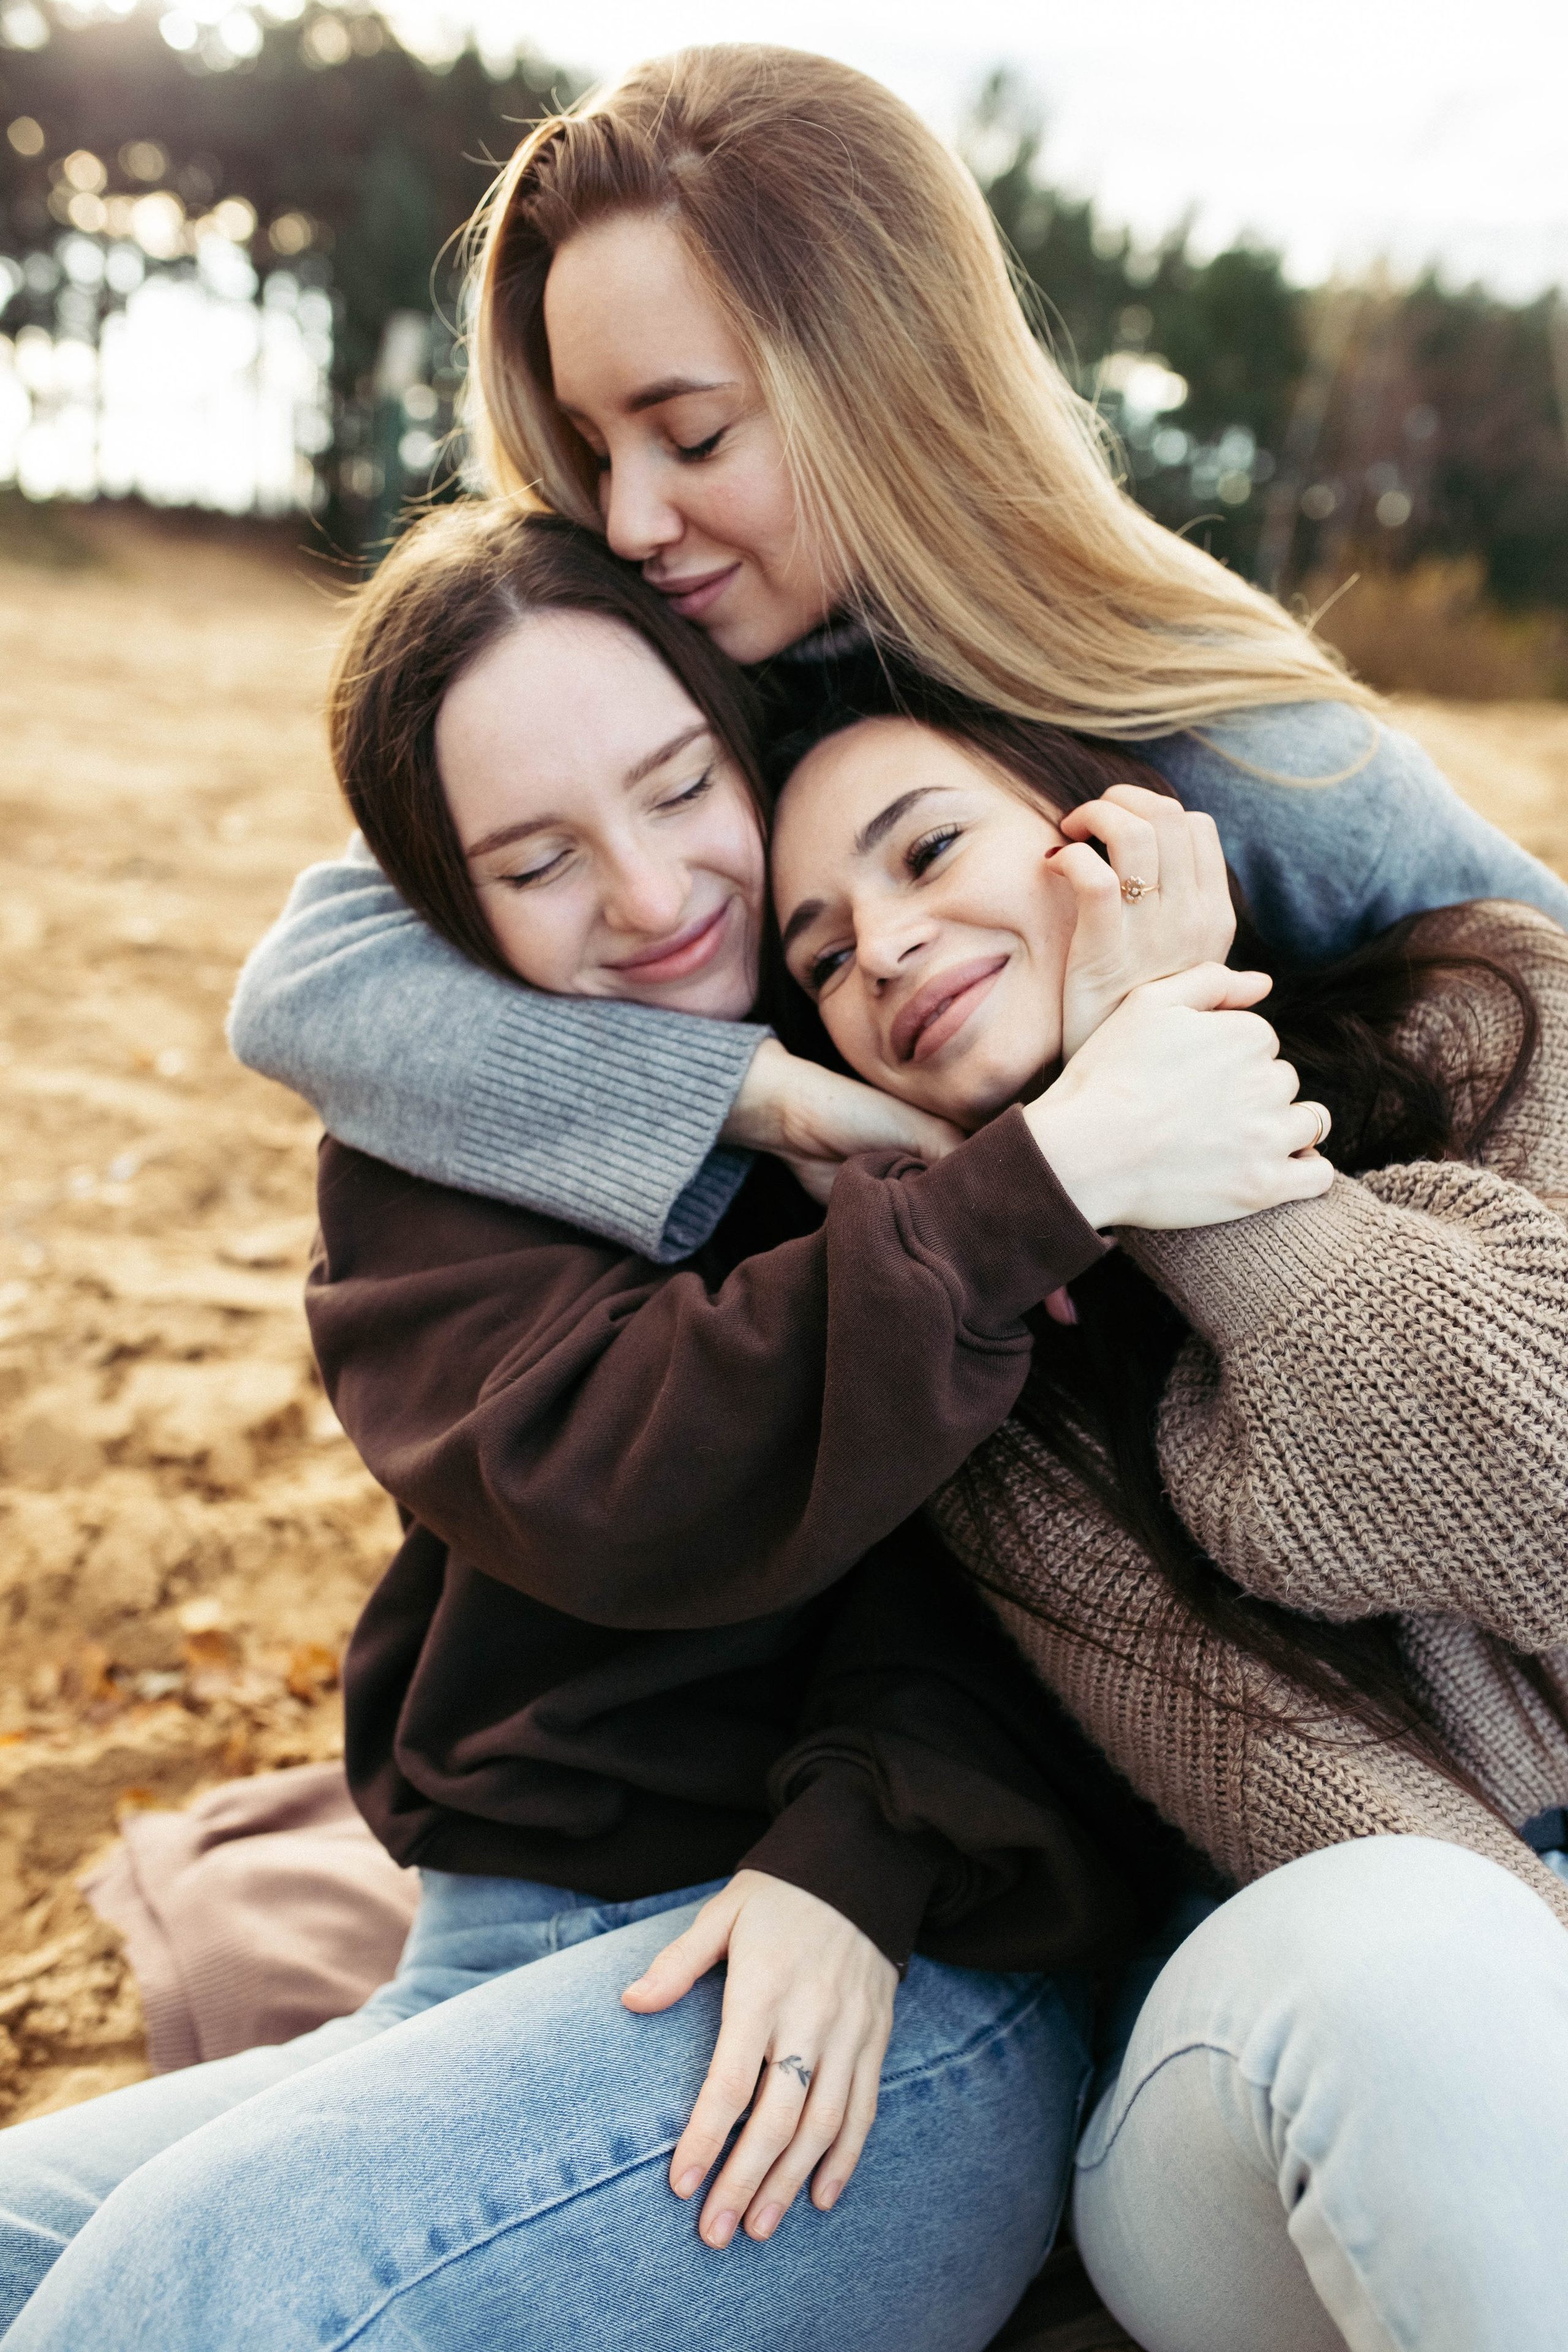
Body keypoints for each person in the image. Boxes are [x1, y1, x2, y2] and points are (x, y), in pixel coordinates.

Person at [0, 505, 1322, 2352]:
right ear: (445, 911)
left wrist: (872, 1834)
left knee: (219, 2295)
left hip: (887, 1973)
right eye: (534, 862)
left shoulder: (906, 991)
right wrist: (806, 1118)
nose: (646, 898)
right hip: (490, 1953)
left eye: (680, 782)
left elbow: (1038, 1535)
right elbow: (624, 1469)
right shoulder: (455, 1131)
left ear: (744, 736)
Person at [229, 43, 1568, 1256]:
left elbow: (1539, 980)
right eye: (589, 449)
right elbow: (314, 986)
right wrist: (762, 1101)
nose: (628, 518)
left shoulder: (1221, 736)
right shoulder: (651, 674)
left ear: (883, 385)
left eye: (691, 437)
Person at [766, 696, 1568, 2352]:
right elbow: (1320, 1798)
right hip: (1312, 2061)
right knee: (1413, 1954)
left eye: (928, 850)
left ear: (1111, 830)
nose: (890, 947)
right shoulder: (991, 1410)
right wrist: (1147, 1150)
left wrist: (1176, 1051)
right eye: (824, 958)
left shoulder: (1498, 1008)